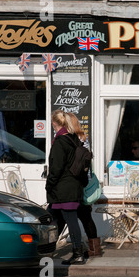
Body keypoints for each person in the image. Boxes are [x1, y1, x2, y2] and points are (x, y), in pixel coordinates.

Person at [46, 110, 88, 265]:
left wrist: (49, 185)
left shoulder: (60, 142)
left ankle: (78, 254)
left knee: (69, 220)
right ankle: (47, 250)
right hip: (71, 187)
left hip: (63, 189)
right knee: (52, 219)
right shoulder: (72, 139)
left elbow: (56, 169)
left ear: (54, 123)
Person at [66, 112, 101, 257]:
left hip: (77, 183)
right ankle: (94, 249)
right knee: (86, 217)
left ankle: (78, 249)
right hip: (84, 181)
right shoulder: (83, 137)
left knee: (74, 217)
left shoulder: (74, 139)